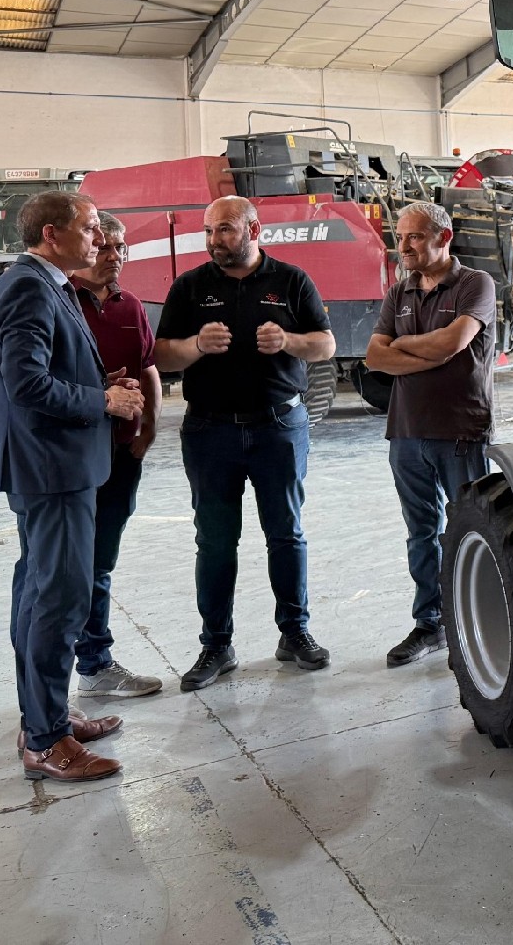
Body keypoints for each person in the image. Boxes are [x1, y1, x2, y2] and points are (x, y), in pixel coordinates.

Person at [0, 191, 142, 781]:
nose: (99, 238)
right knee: (60, 598)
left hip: (49, 467)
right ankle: (47, 741)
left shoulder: (44, 283)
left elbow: (46, 369)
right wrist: (103, 401)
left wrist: (99, 383)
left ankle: (42, 716)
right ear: (52, 234)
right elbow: (25, 384)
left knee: (38, 592)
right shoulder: (29, 287)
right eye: (91, 227)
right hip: (53, 470)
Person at [154, 197, 336, 691]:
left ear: (254, 230)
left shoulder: (291, 281)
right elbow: (162, 355)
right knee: (215, 541)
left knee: (286, 533)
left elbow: (326, 344)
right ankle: (216, 644)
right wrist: (195, 346)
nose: (214, 240)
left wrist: (289, 341)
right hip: (210, 431)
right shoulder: (190, 286)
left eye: (225, 230)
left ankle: (294, 632)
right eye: (209, 231)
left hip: (278, 427)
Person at [364, 201, 497, 667]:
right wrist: (429, 352)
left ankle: (480, 622)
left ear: (445, 237)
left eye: (415, 236)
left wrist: (405, 346)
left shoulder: (475, 284)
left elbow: (454, 342)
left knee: (473, 530)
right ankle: (430, 624)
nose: (403, 246)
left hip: (461, 429)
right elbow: (375, 357)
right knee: (421, 533)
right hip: (406, 431)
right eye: (400, 237)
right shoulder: (398, 291)